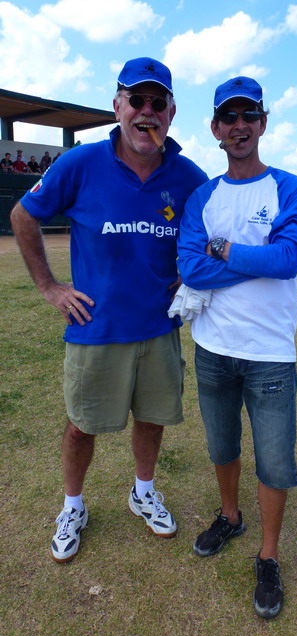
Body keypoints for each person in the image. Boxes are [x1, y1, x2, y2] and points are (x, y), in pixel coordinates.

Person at [11, 57, 208, 564]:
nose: (147, 111)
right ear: (117, 106)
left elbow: (209, 236)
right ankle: (73, 506)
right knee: (82, 426)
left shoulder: (188, 176)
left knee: (154, 417)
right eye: (136, 101)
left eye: (157, 102)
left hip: (159, 329)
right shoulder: (81, 163)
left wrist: (191, 273)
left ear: (171, 111)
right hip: (95, 330)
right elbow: (23, 215)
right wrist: (50, 286)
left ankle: (143, 491)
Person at [177, 76, 297, 619]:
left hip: (270, 354)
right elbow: (189, 265)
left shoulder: (290, 187)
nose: (239, 126)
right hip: (213, 347)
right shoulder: (201, 196)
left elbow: (289, 259)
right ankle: (230, 517)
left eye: (248, 116)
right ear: (214, 128)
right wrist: (256, 257)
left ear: (263, 122)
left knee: (276, 462)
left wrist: (225, 251)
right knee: (222, 446)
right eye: (228, 118)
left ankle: (269, 554)